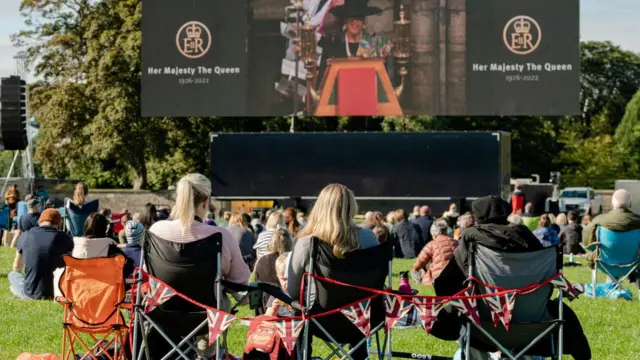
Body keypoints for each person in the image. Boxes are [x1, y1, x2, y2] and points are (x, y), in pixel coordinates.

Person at [433, 196, 591, 360]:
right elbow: (546, 284)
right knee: (563, 313)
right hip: (535, 322)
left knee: (462, 309)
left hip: (484, 322)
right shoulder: (525, 235)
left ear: (477, 215)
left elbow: (446, 284)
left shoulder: (471, 237)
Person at [147, 173, 250, 357]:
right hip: (206, 319)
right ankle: (207, 354)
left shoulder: (156, 231)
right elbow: (240, 285)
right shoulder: (222, 237)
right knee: (220, 299)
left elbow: (149, 275)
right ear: (206, 202)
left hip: (162, 315)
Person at [288, 183, 378, 360]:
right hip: (362, 320)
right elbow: (376, 285)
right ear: (351, 206)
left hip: (319, 320)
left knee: (297, 310)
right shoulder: (369, 239)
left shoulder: (307, 243)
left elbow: (293, 291)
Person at [316, 0, 394, 86]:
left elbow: (386, 83)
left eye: (359, 18)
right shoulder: (331, 44)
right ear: (345, 19)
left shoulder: (376, 45)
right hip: (340, 97)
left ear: (364, 20)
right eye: (351, 17)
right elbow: (322, 81)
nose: (355, 22)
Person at [9, 208, 73, 300]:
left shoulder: (25, 235)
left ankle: (21, 292)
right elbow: (71, 263)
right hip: (57, 290)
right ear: (57, 224)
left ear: (40, 221)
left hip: (30, 292)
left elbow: (17, 266)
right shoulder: (64, 237)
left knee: (12, 275)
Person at [70, 213, 134, 277]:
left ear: (86, 226)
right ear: (105, 228)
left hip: (78, 284)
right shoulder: (110, 247)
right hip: (105, 285)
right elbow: (127, 265)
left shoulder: (74, 245)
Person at [253, 229, 293, 314]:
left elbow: (256, 286)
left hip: (264, 307)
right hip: (289, 307)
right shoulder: (291, 260)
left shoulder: (261, 261)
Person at [412, 219, 459, 286]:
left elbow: (417, 265)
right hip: (457, 279)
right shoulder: (456, 243)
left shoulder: (432, 244)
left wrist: (416, 272)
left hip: (438, 280)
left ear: (433, 234)